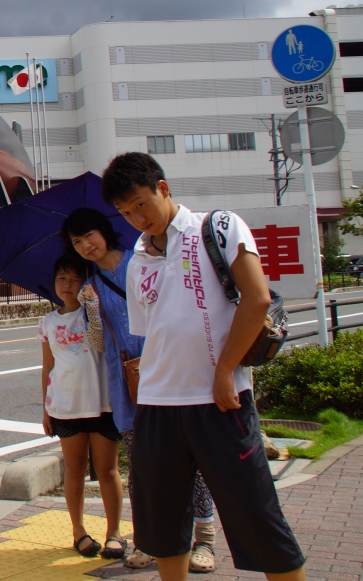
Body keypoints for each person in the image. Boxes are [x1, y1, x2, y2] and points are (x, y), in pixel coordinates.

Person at [101, 152, 306, 581]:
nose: (137, 218)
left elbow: (258, 298)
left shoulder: (218, 227)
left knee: (257, 516)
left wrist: (224, 370)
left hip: (221, 400)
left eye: (141, 204)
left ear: (162, 188)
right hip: (157, 407)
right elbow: (152, 333)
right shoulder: (137, 263)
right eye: (125, 212)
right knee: (161, 524)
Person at [63, 207, 218, 572]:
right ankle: (152, 541)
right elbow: (99, 344)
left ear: (103, 232)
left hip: (172, 374)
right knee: (143, 467)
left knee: (189, 463)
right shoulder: (92, 285)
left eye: (89, 236)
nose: (86, 245)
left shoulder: (144, 261)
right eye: (76, 242)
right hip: (129, 384)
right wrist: (91, 309)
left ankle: (205, 542)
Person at [39, 254, 126, 559]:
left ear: (85, 281)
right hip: (66, 406)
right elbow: (47, 367)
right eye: (62, 278)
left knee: (107, 471)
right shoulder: (48, 322)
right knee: (74, 471)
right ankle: (78, 532)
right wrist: (46, 408)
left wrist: (93, 308)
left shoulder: (96, 312)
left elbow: (103, 346)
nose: (67, 284)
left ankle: (114, 533)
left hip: (104, 405)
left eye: (75, 278)